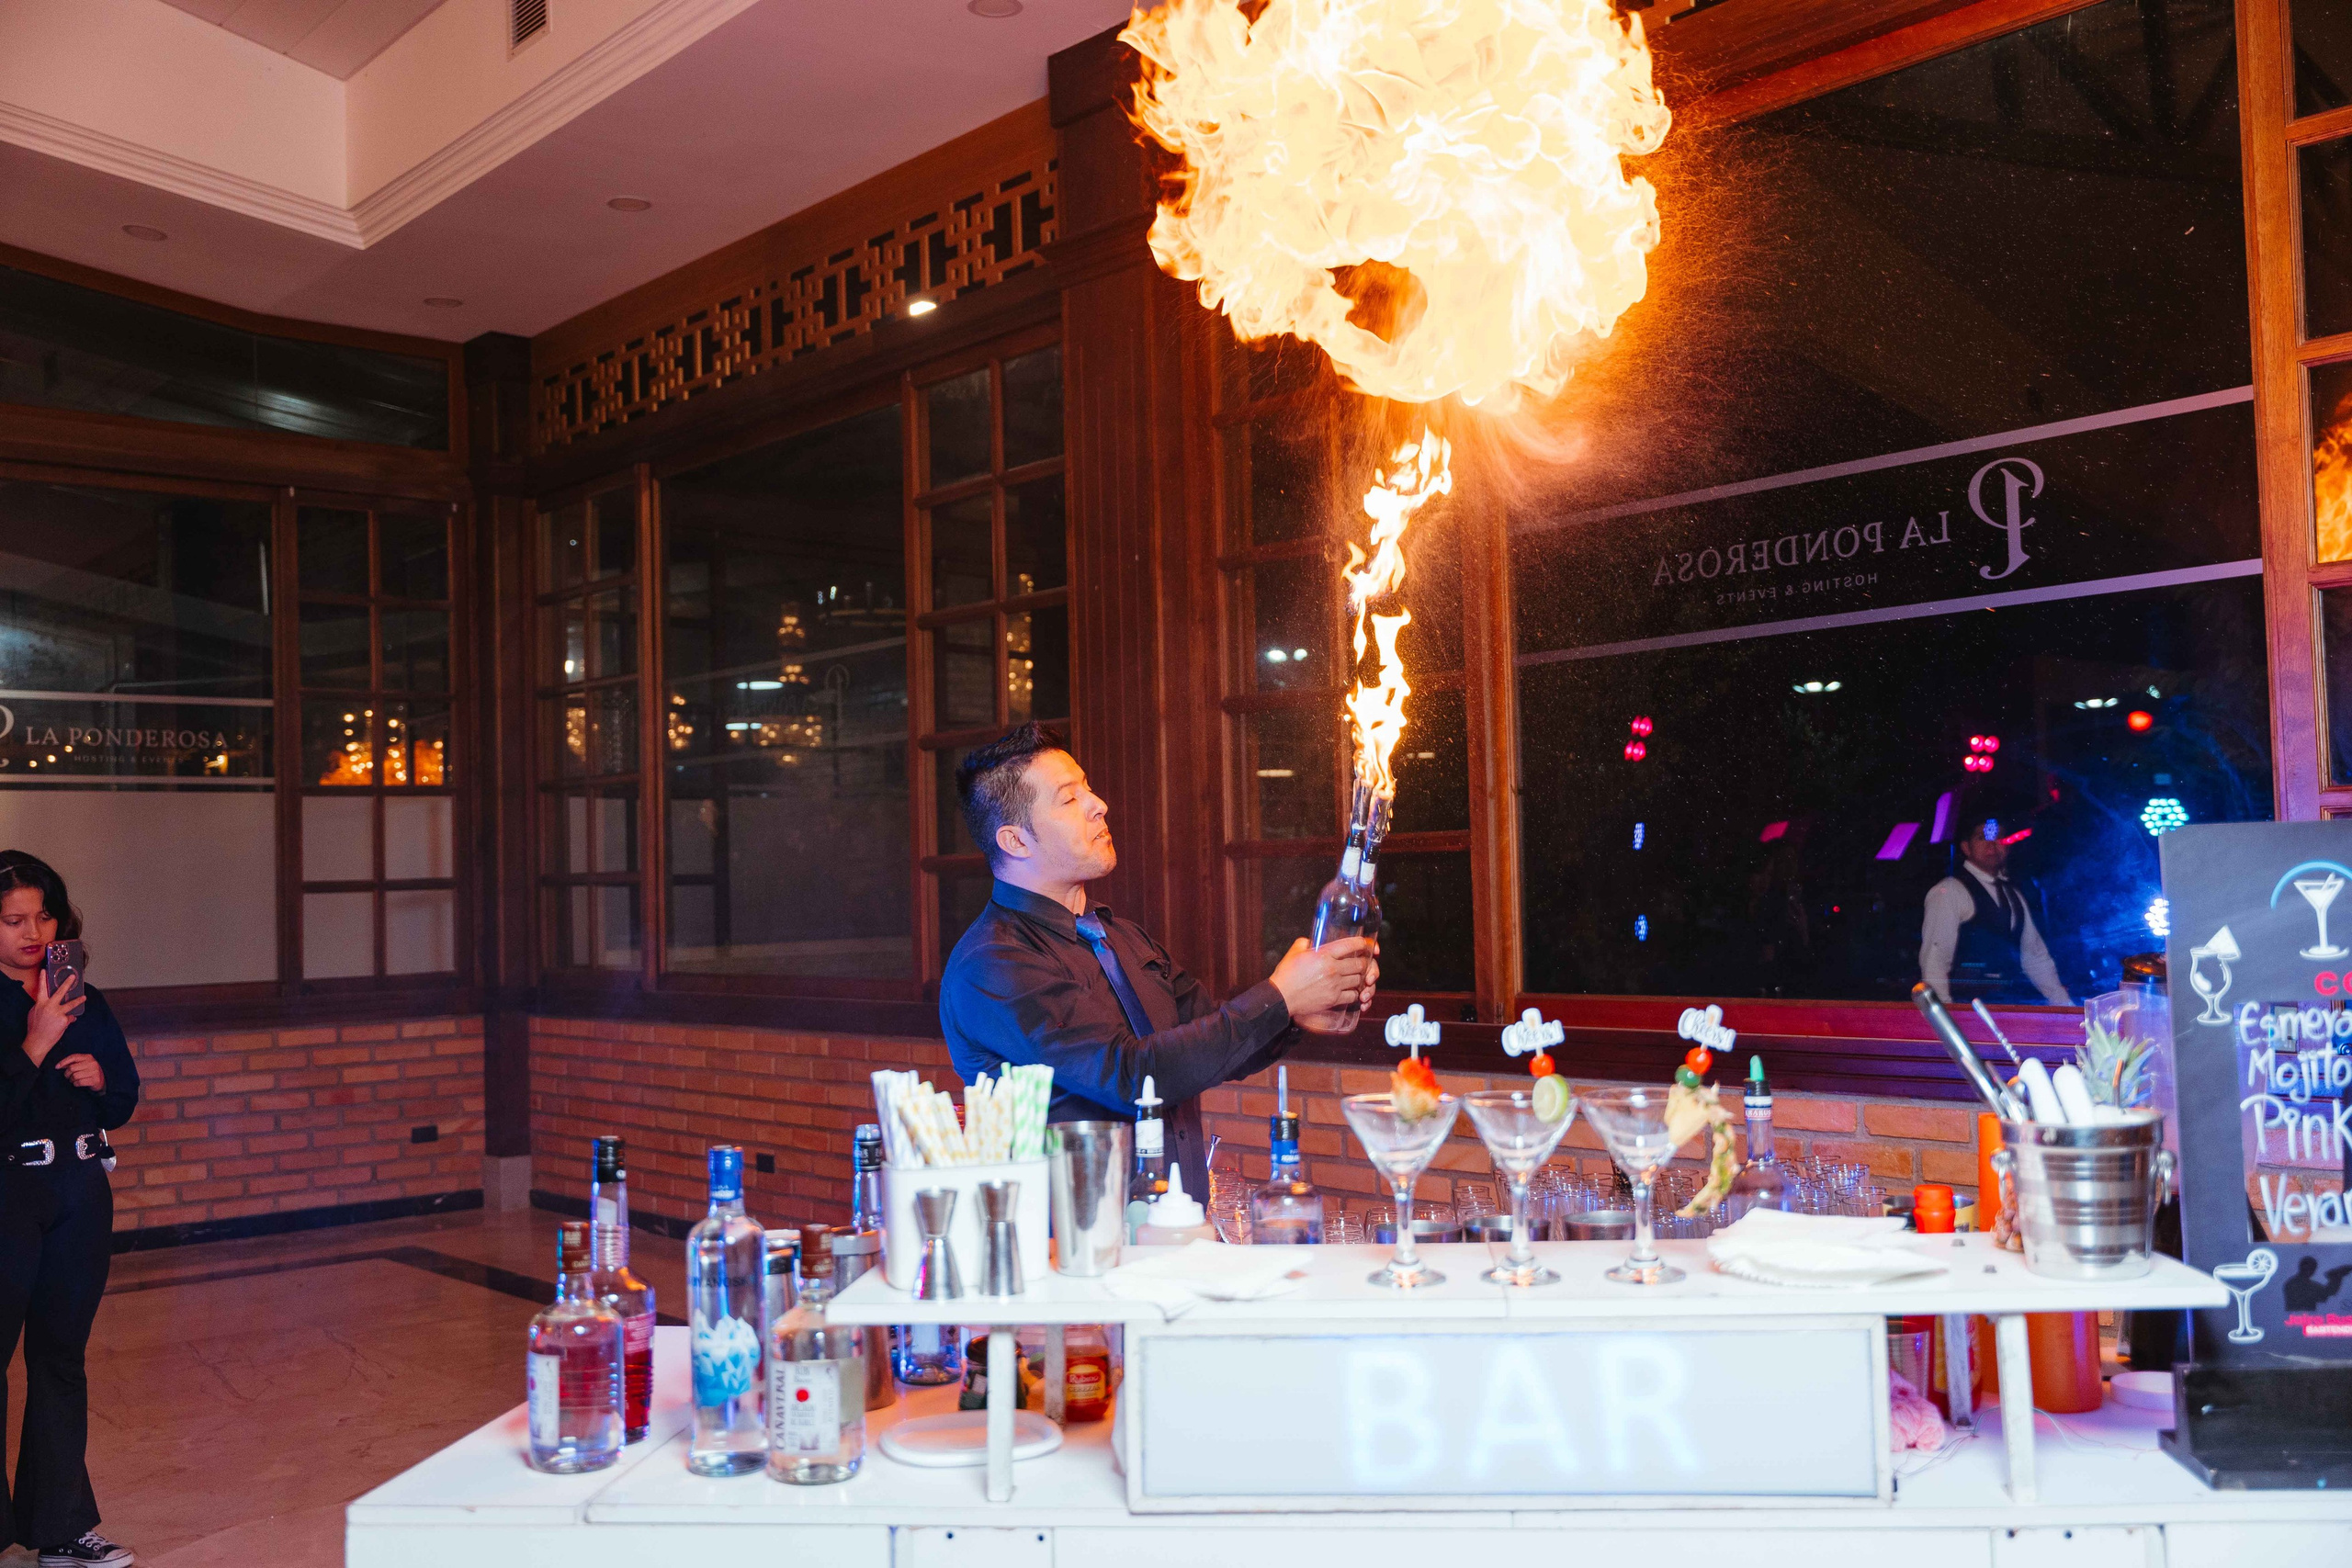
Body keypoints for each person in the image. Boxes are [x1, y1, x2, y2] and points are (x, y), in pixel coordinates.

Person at [940, 724, 1377, 1201]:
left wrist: (1299, 1009)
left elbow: (1212, 1039)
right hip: (1070, 1235)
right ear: (1016, 841)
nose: (1098, 804)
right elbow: (1129, 1075)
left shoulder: (1121, 937)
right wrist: (1282, 995)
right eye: (1069, 799)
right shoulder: (994, 962)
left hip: (1174, 1222)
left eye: (1088, 788)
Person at [0, 852, 138, 1567]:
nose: (33, 932)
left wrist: (103, 1077)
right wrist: (35, 1041)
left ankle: (60, 1528)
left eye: (43, 915)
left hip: (80, 1192)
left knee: (60, 1357)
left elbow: (124, 1098)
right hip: (9, 1195)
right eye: (13, 919)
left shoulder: (84, 996)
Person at [1920, 817, 2070, 1007]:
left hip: (2007, 1006)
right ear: (1966, 847)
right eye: (1982, 838)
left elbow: (2035, 957)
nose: (1992, 845)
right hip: (1965, 1010)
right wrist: (1944, 1014)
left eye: (1998, 838)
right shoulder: (1950, 891)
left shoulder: (2014, 895)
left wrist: (2064, 1005)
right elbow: (1935, 959)